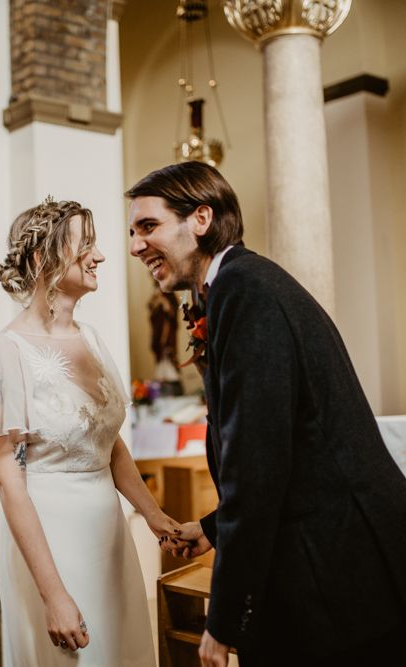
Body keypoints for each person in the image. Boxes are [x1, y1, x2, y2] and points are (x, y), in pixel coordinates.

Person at [126, 161, 406, 667]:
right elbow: (281, 448)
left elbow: (257, 464)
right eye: (133, 231)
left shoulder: (246, 292)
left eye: (148, 226)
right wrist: (213, 528)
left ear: (201, 219)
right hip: (328, 560)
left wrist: (225, 616)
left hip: (336, 570)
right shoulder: (238, 285)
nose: (135, 246)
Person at [0, 197, 179, 666]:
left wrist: (155, 517)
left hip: (108, 537)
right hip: (51, 542)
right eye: (86, 247)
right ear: (43, 259)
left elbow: (108, 443)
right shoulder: (6, 352)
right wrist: (54, 593)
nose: (99, 257)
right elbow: (6, 481)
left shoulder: (92, 339)